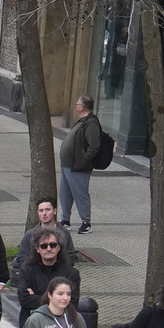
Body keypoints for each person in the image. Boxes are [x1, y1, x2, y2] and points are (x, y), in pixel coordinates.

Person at [59, 96, 109, 232]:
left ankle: (86, 222)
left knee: (80, 193)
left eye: (77, 104)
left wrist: (85, 158)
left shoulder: (91, 123)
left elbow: (94, 145)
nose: (76, 106)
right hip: (68, 164)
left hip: (78, 165)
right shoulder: (82, 121)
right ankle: (65, 220)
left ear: (82, 107)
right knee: (65, 193)